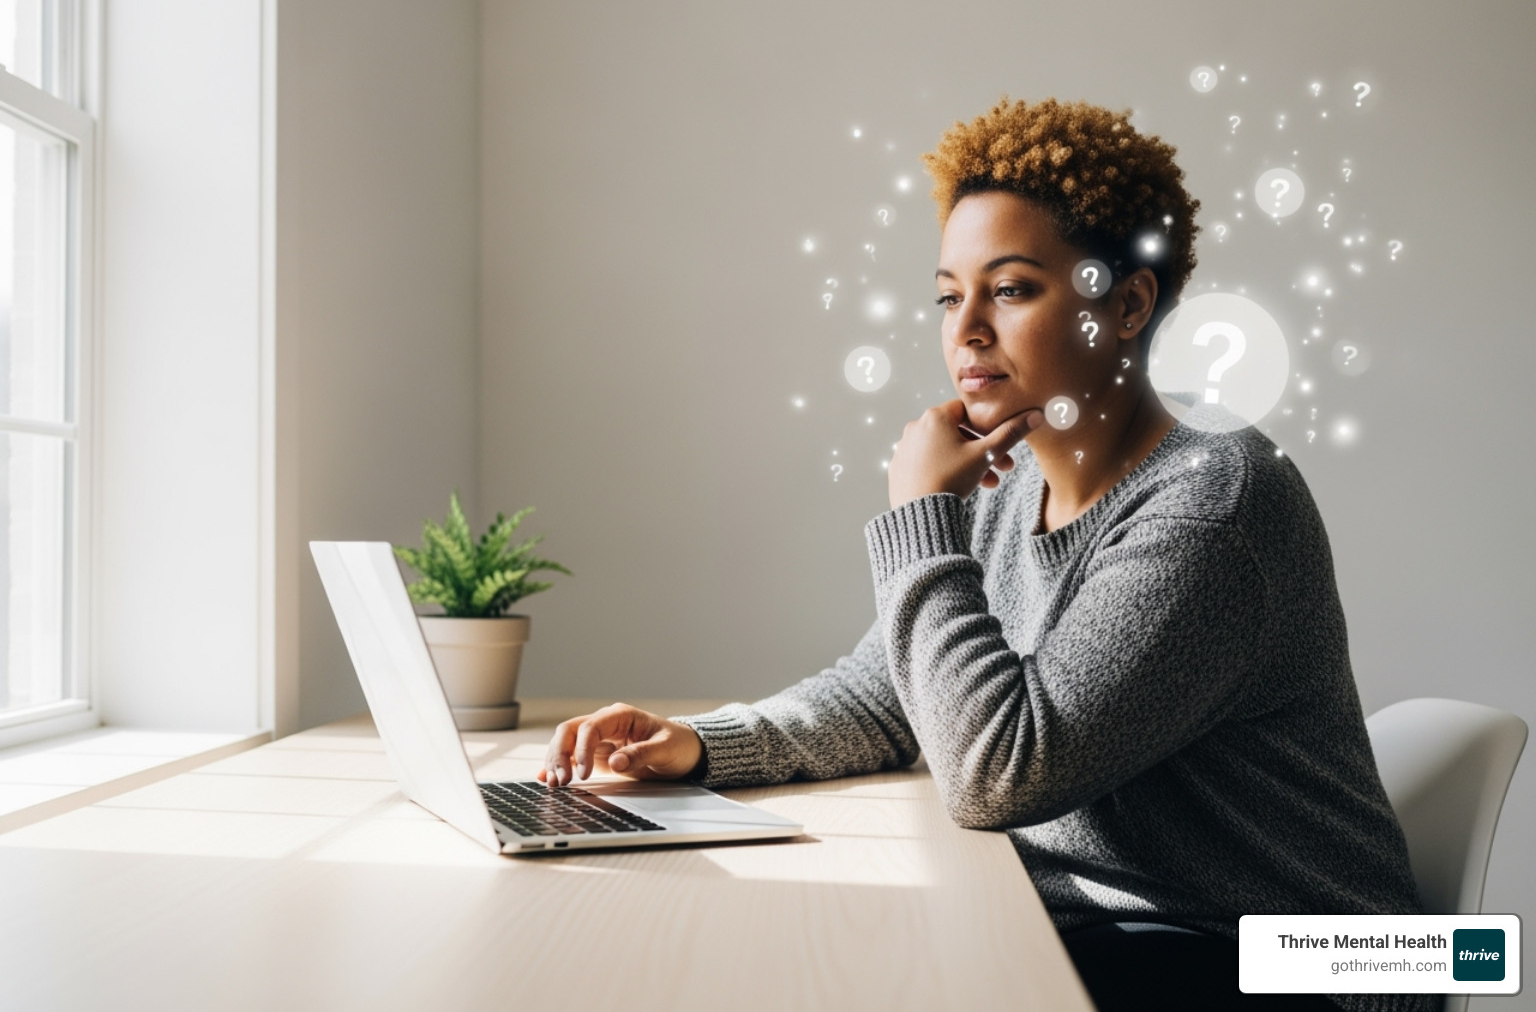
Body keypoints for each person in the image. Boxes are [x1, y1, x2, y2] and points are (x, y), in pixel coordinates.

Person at [539, 98, 1430, 1012]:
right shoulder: (1017, 481)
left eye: (1009, 290)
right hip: (1123, 934)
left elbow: (997, 774)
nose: (965, 328)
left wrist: (923, 512)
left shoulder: (1212, 504)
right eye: (948, 294)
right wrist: (699, 745)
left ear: (1127, 305)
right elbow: (889, 694)